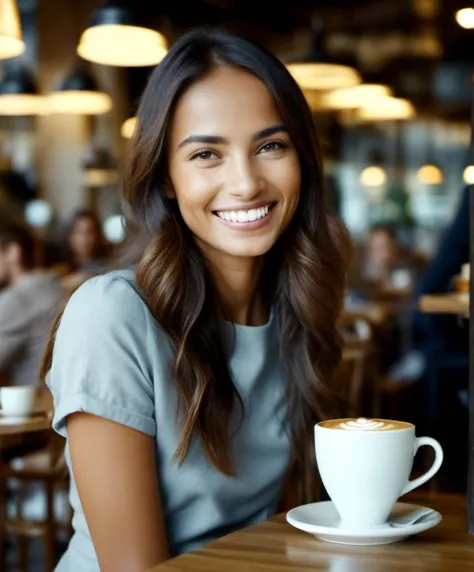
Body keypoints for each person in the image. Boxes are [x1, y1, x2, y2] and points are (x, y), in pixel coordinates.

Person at [43, 29, 350, 572]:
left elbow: (285, 526)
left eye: (271, 146)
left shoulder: (292, 308)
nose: (246, 183)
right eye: (207, 154)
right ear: (165, 176)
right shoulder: (111, 314)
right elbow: (134, 568)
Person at [0, 220, 64, 387]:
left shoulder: (18, 299)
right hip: (57, 401)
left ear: (13, 252)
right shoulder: (53, 285)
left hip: (32, 404)